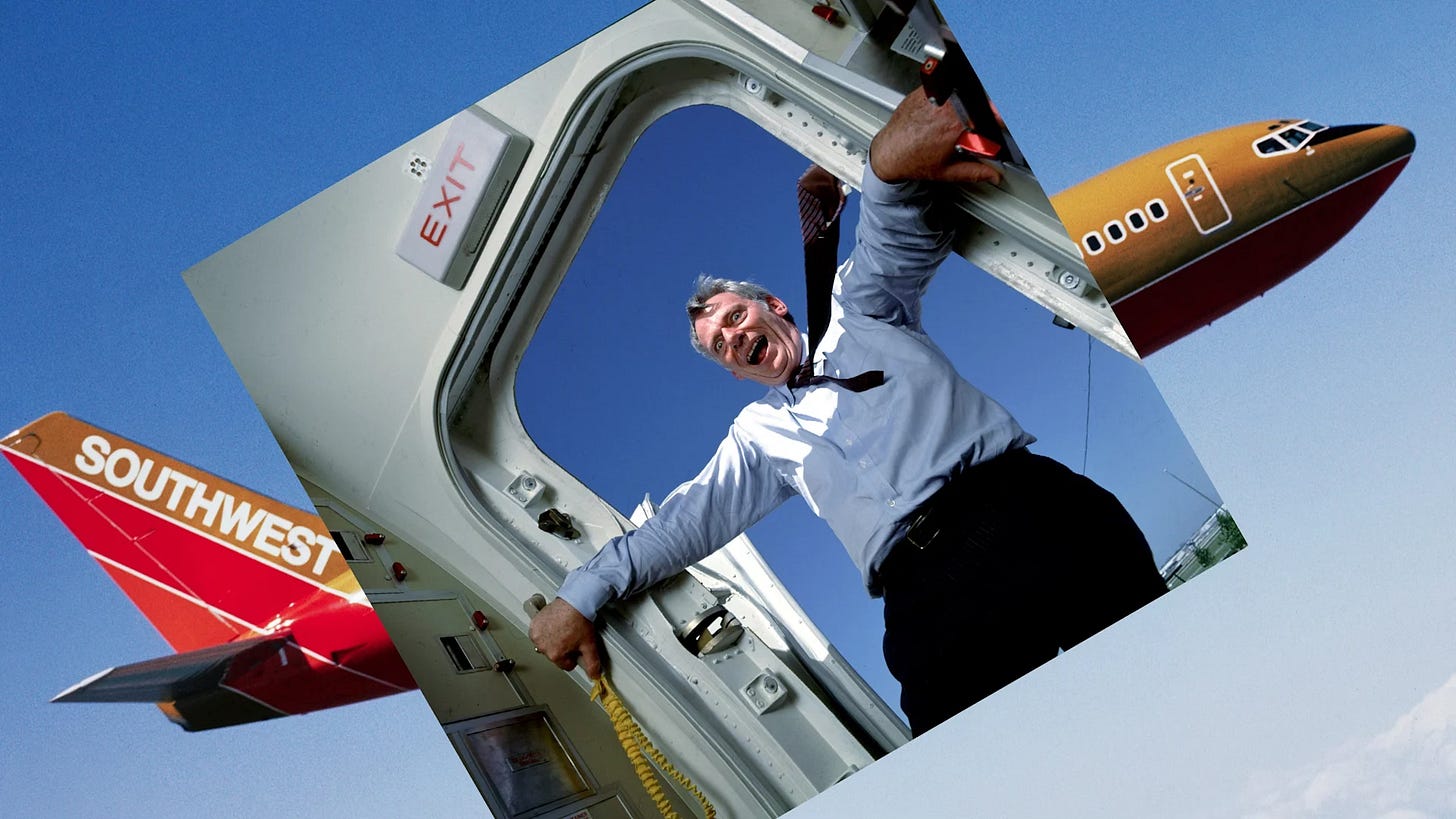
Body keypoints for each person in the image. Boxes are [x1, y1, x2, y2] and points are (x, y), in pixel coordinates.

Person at [530, 88, 1167, 736]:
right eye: (720, 345)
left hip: (1028, 511)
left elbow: (892, 232)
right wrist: (579, 596)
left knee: (1169, 679)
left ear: (774, 306)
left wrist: (883, 168)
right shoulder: (757, 436)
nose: (733, 337)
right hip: (924, 595)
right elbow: (677, 526)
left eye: (735, 316)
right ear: (734, 371)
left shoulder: (856, 308)